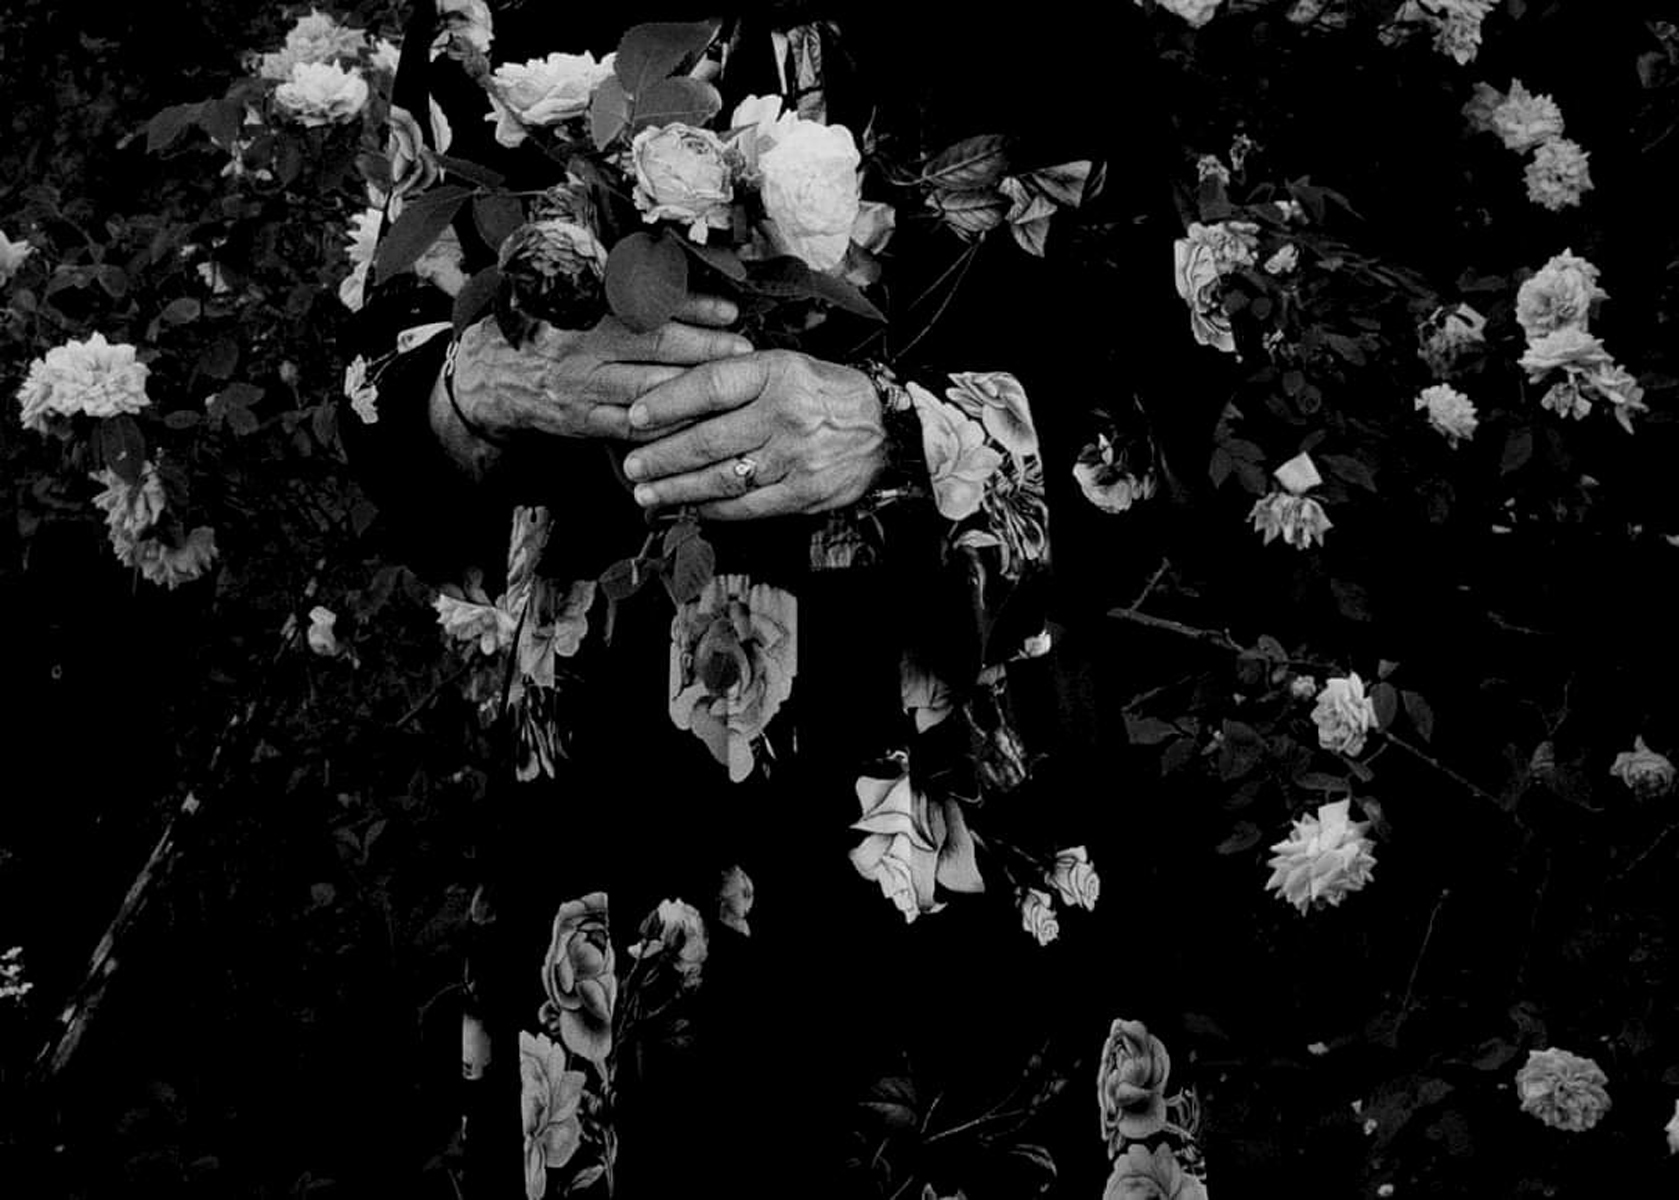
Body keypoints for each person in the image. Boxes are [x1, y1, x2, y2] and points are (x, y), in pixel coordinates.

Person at [344, 3, 1203, 1196]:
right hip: (613, 769)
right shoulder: (496, 18)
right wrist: (473, 384)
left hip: (939, 773)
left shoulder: (1061, 31)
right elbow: (378, 370)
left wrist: (906, 438)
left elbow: (1166, 413)